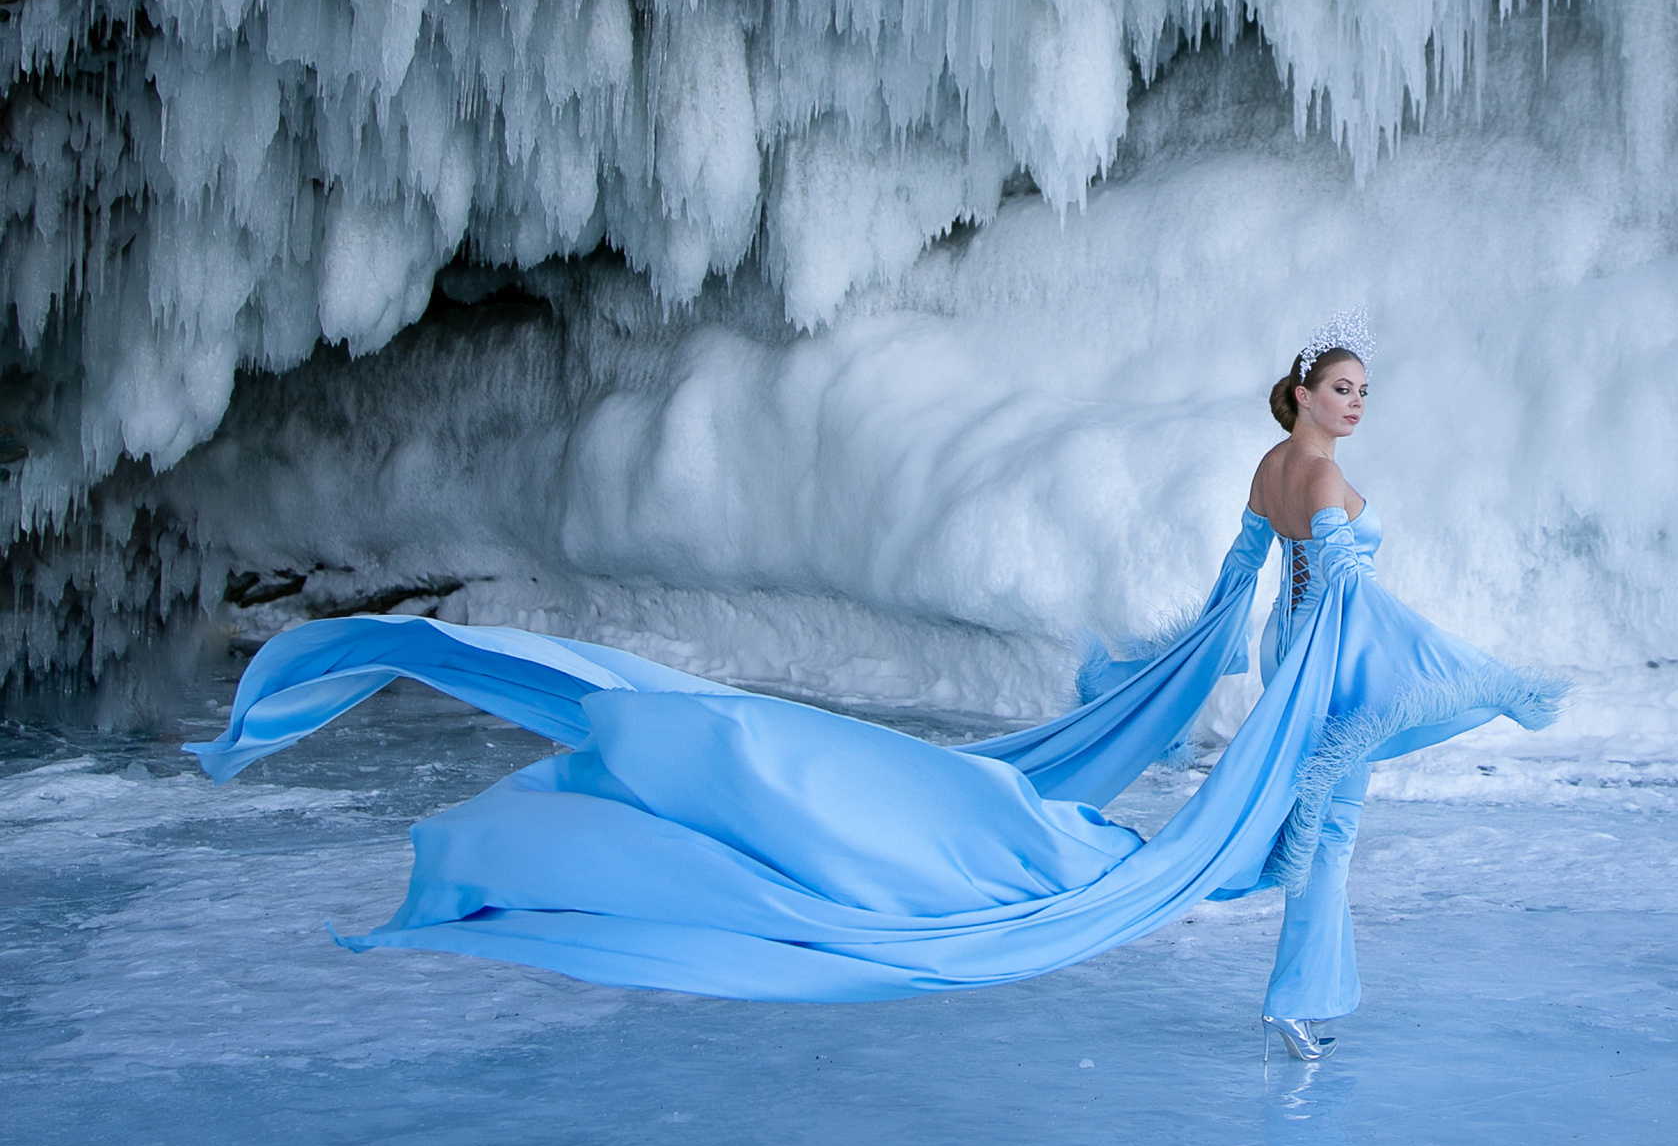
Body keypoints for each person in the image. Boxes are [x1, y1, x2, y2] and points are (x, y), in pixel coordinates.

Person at [186, 314, 1562, 1052]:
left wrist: (1180, 665)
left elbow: (1237, 590)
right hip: (1328, 670)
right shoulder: (1312, 475)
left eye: (1366, 393)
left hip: (1298, 662)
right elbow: (1348, 597)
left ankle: (1299, 996)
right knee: (1316, 827)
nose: (1354, 407)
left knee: (1311, 829)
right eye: (1342, 388)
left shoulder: (1269, 471)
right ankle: (1302, 1003)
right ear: (1303, 397)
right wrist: (1480, 674)